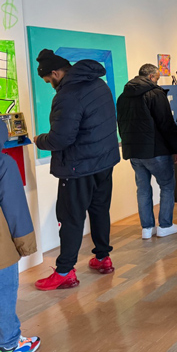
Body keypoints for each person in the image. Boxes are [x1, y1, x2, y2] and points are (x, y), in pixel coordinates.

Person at [34, 49, 120, 290]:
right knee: (100, 210)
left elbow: (60, 139)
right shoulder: (99, 85)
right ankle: (103, 258)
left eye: (48, 81)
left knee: (70, 218)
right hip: (104, 162)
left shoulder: (68, 94)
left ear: (55, 73)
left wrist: (38, 140)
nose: (50, 86)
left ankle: (64, 272)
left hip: (78, 166)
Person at [117, 64, 177, 240]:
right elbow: (166, 124)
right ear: (152, 76)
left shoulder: (123, 97)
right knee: (167, 185)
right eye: (158, 77)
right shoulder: (155, 94)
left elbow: (121, 125)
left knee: (143, 189)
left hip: (134, 151)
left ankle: (147, 228)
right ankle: (165, 225)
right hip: (156, 150)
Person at [0, 122, 41, 352]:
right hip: (1, 250)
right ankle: (10, 343)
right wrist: (25, 245)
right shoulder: (4, 163)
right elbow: (15, 208)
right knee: (4, 292)